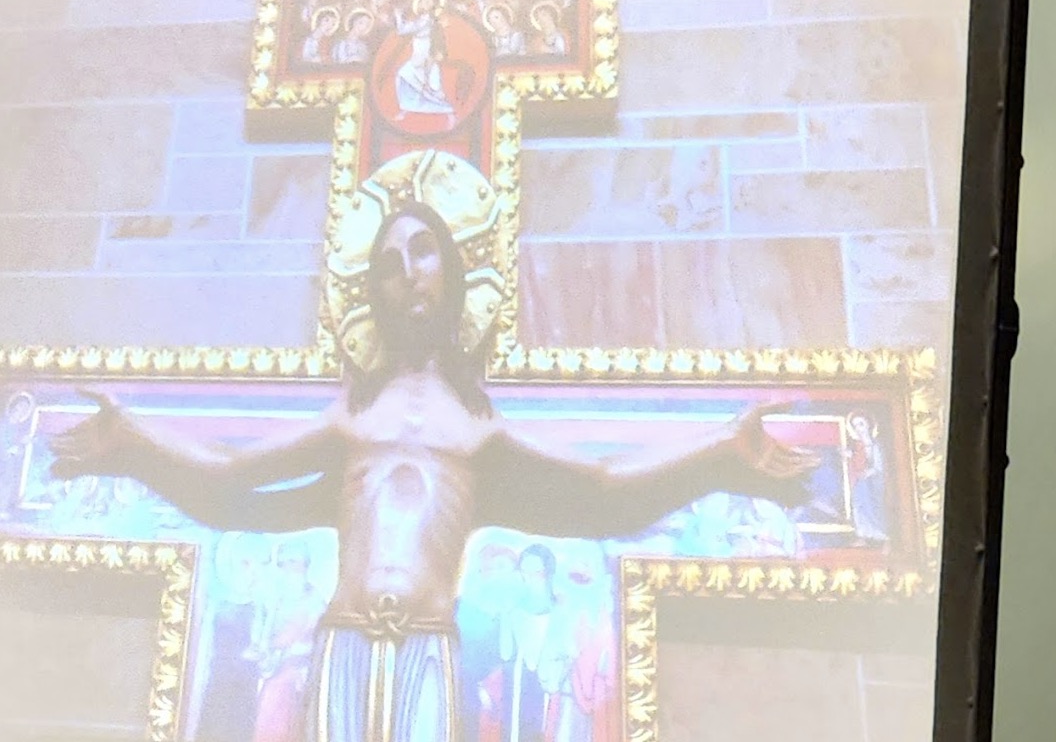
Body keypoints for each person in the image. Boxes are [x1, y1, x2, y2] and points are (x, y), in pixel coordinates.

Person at [50, 200, 817, 742]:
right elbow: (229, 472)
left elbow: (604, 484)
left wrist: (721, 449)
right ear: (375, 292)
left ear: (449, 273)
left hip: (428, 642)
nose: (406, 272)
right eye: (388, 263)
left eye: (421, 253)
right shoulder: (352, 413)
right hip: (345, 637)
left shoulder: (477, 425)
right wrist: (133, 437)